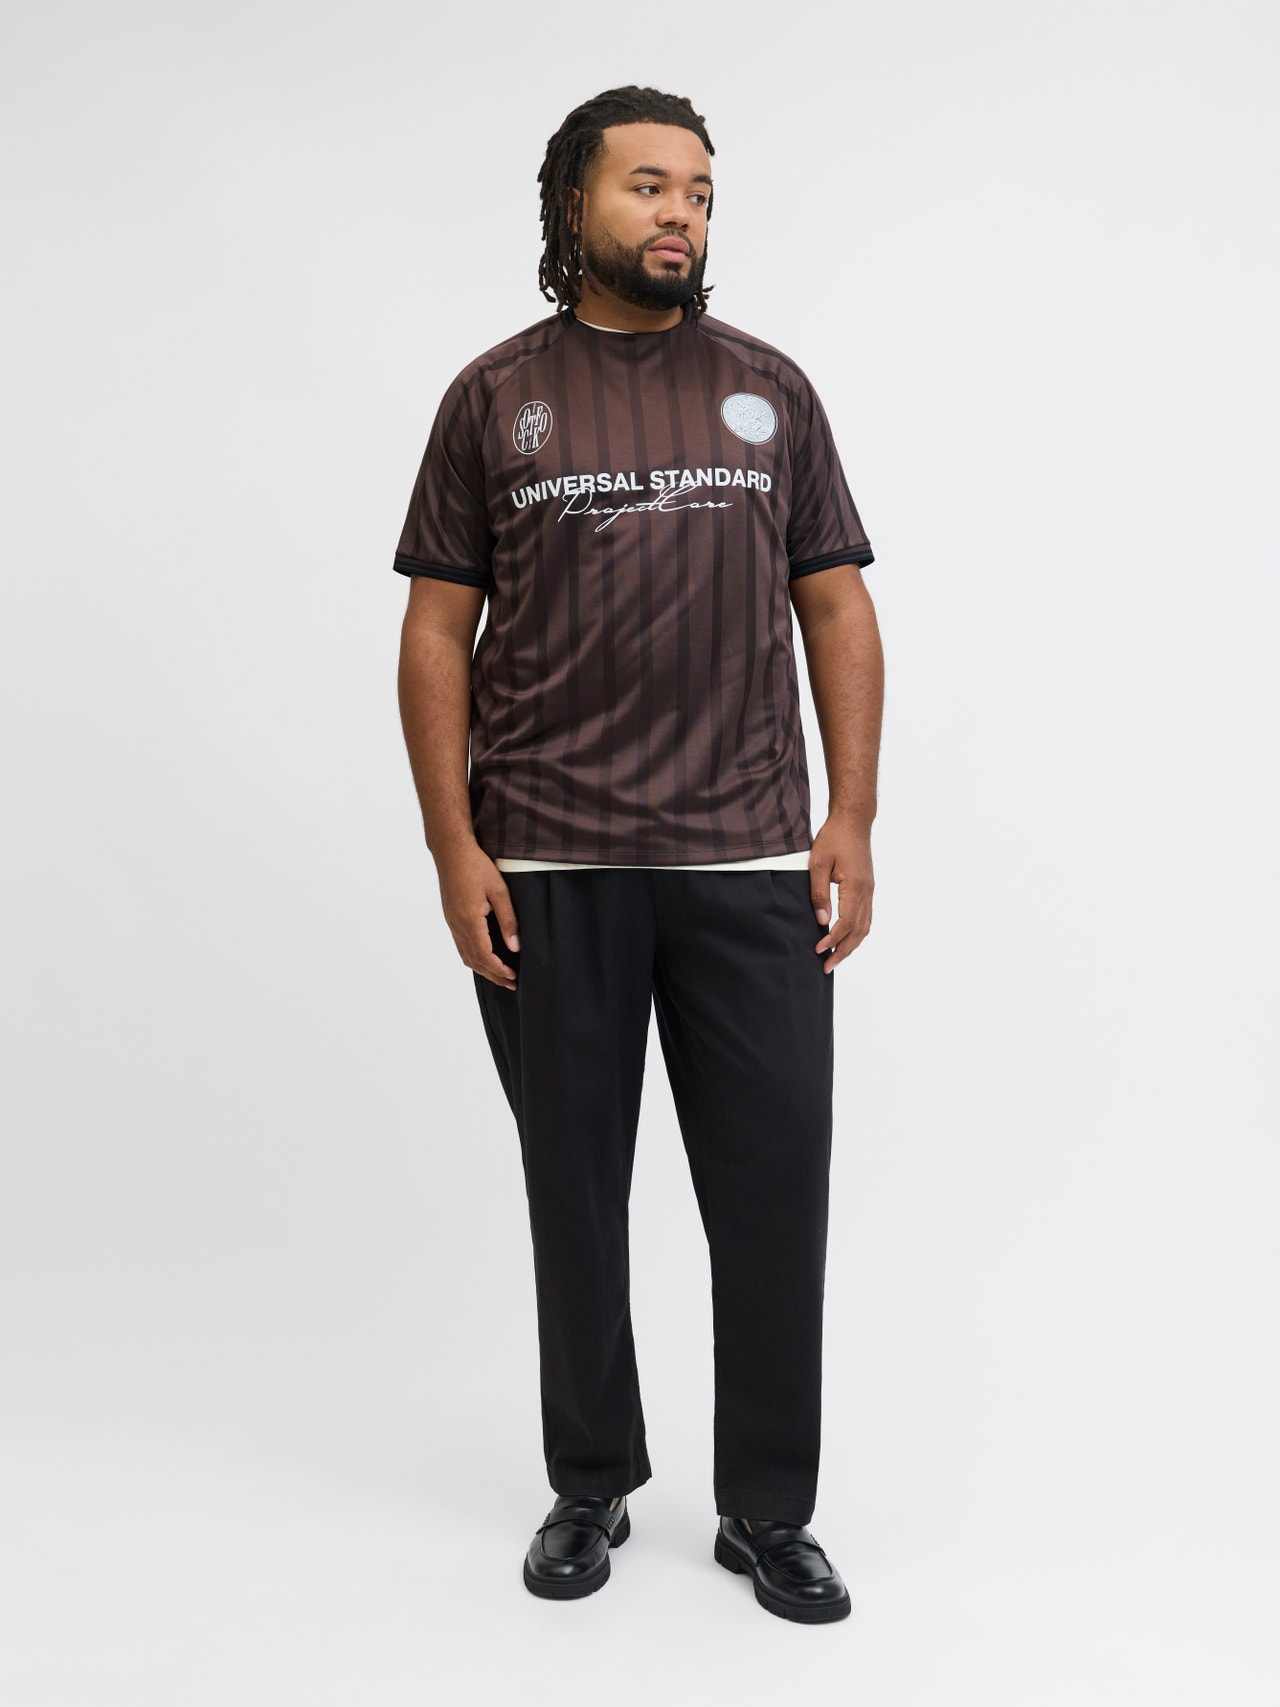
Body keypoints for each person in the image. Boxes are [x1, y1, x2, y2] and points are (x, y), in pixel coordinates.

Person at [393, 85, 884, 1624]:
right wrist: (454, 844)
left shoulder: (769, 391)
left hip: (748, 865)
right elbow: (435, 631)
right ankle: (591, 1480)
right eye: (650, 186)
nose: (682, 214)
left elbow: (835, 605)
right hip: (548, 867)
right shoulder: (494, 399)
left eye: (702, 194)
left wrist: (851, 819)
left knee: (774, 1191)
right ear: (574, 207)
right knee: (576, 1193)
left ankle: (769, 1511)